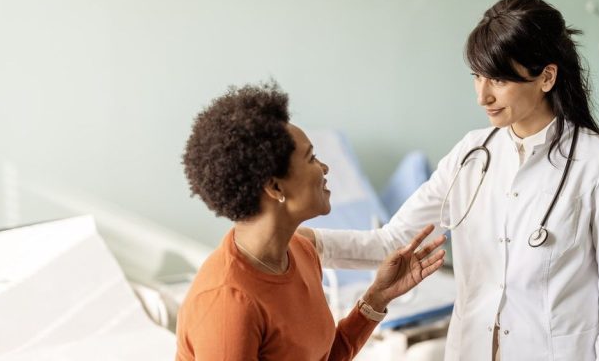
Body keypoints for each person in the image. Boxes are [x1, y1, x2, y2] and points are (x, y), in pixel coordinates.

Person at [299, 0, 599, 360]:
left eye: (497, 79)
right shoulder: (471, 154)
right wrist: (303, 242)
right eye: (477, 76)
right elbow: (394, 241)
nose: (482, 96)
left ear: (546, 77)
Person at [175, 81, 447, 361]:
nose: (324, 168)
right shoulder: (228, 302)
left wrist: (378, 296)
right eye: (311, 158)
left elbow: (326, 356)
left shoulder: (300, 250)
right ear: (275, 188)